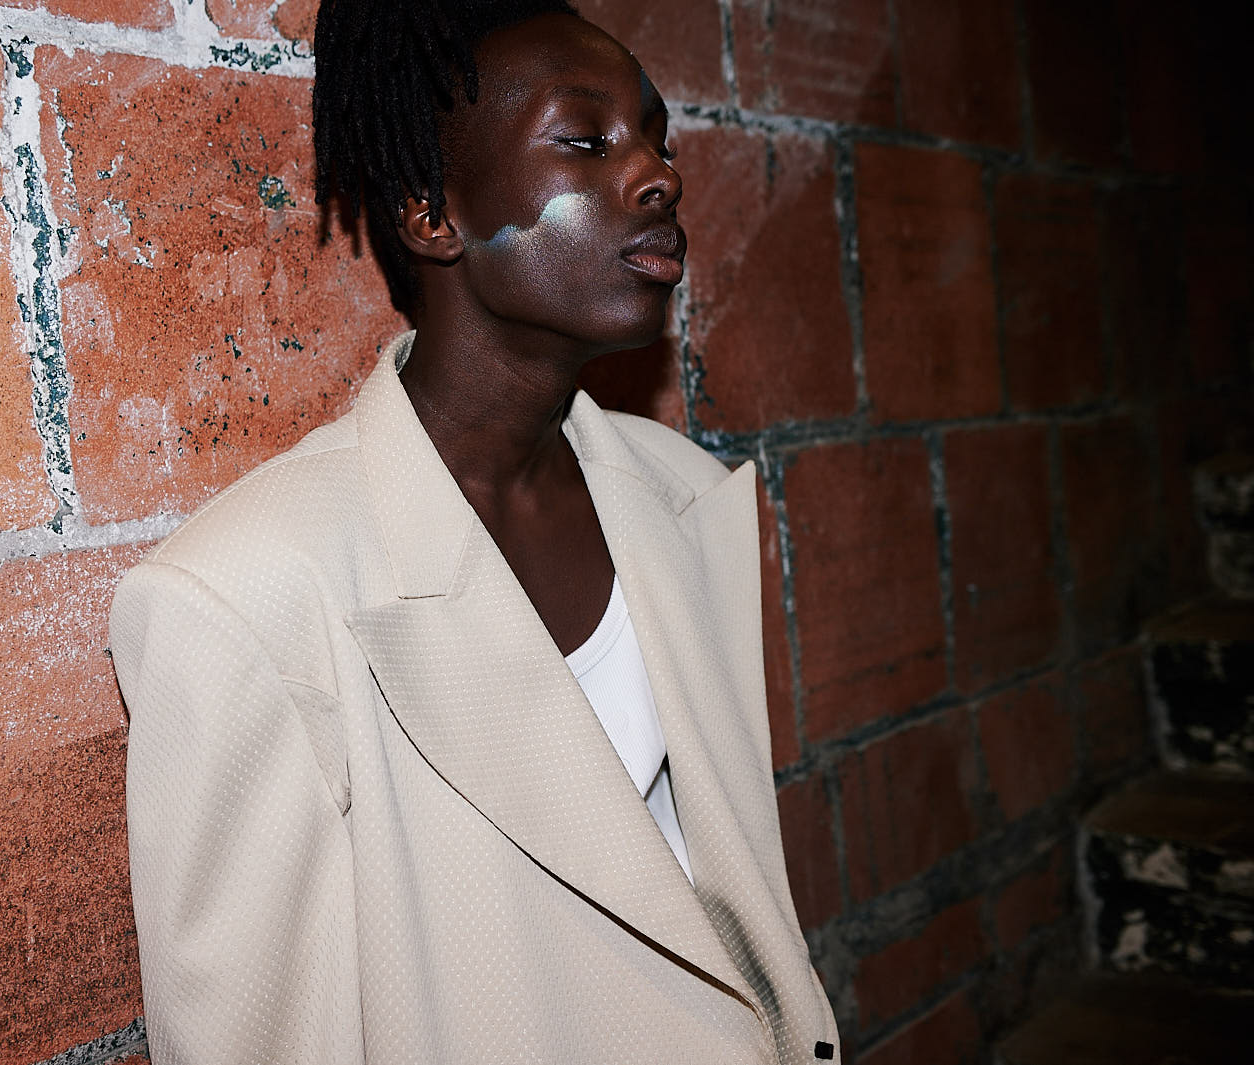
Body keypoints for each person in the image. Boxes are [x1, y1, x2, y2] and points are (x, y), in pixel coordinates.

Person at [109, 1, 840, 1061]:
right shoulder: (246, 600)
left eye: (656, 139)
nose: (657, 177)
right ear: (429, 213)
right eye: (584, 141)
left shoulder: (686, 495)